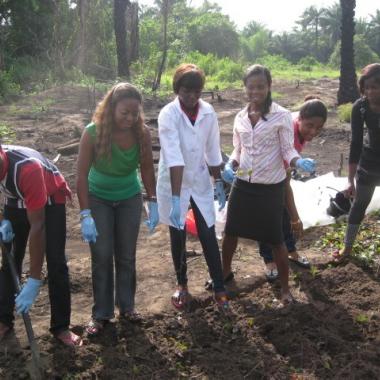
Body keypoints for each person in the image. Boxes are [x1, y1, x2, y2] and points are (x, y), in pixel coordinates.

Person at [219, 64, 316, 304]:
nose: (256, 91)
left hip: (271, 187)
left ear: (269, 86)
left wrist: (297, 161)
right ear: (246, 88)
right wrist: (230, 164)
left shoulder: (281, 115)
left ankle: (285, 290)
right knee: (230, 231)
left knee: (275, 239)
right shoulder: (240, 117)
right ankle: (224, 275)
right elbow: (238, 148)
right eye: (251, 87)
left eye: (260, 86)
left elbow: (287, 149)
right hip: (243, 183)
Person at [76, 82, 158, 336]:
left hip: (128, 198)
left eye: (135, 113)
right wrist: (85, 213)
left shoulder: (141, 133)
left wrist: (152, 200)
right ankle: (101, 313)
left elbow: (146, 167)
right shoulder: (93, 132)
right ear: (112, 108)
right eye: (124, 113)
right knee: (101, 256)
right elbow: (80, 175)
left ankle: (127, 306)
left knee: (126, 255)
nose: (130, 118)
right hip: (98, 197)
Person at [156, 63, 228, 311]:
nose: (191, 97)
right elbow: (174, 157)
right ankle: (182, 285)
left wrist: (218, 180)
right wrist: (176, 199)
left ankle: (219, 287)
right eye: (186, 91)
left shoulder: (208, 112)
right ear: (178, 89)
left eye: (197, 92)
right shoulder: (168, 114)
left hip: (198, 180)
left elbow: (213, 149)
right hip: (173, 181)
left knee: (208, 232)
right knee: (177, 235)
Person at [0, 145, 82, 346]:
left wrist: (35, 280)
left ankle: (61, 327)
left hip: (50, 199)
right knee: (10, 257)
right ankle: (3, 319)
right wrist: (2, 220)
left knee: (56, 261)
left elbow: (38, 226)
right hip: (15, 198)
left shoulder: (28, 169)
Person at [258, 96, 327, 280]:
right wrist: (295, 216)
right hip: (262, 173)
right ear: (300, 119)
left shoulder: (300, 130)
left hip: (278, 172)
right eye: (310, 125)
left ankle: (291, 250)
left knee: (284, 211)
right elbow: (284, 176)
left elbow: (286, 175)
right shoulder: (289, 132)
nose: (313, 132)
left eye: (319, 128)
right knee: (266, 216)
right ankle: (268, 259)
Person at [333, 63, 380, 263]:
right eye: (367, 87)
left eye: (375, 86)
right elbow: (356, 143)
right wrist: (350, 180)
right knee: (359, 204)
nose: (370, 91)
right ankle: (347, 248)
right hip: (369, 162)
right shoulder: (360, 107)